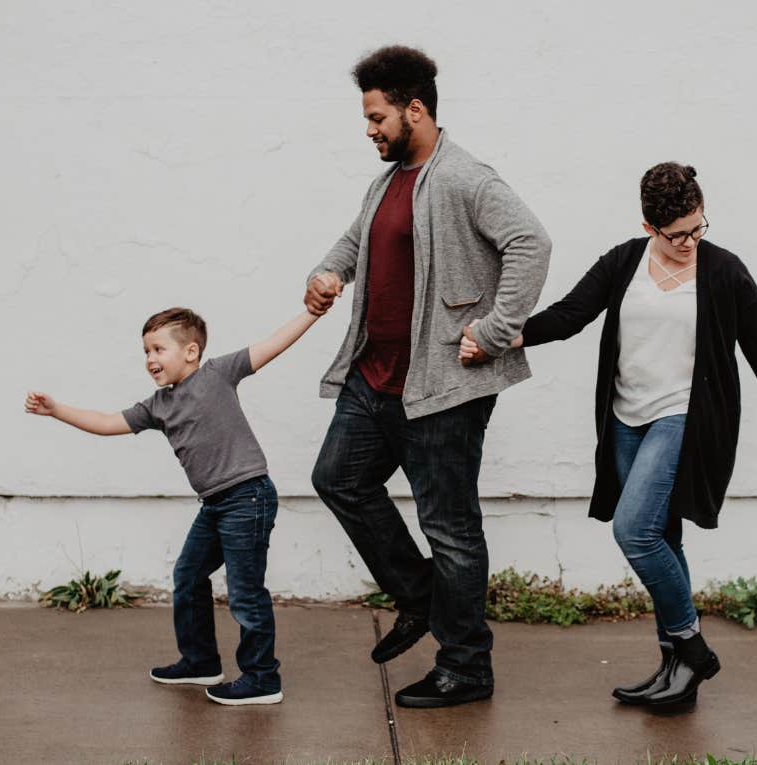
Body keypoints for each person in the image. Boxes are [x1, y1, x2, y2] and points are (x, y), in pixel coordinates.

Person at [462, 162, 757, 707]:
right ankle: (677, 673)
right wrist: (499, 338)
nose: (691, 242)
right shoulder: (625, 261)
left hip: (684, 418)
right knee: (663, 538)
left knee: (634, 531)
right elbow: (571, 314)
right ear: (650, 227)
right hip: (626, 420)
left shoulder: (724, 272)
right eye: (677, 235)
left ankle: (692, 648)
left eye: (699, 228)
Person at [305, 45, 551, 708]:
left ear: (415, 109)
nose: (369, 129)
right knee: (338, 478)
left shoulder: (465, 177)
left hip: (441, 387)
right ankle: (419, 598)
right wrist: (326, 275)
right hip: (375, 376)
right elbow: (357, 240)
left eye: (377, 116)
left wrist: (495, 330)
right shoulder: (386, 181)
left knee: (451, 525)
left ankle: (467, 664)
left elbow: (532, 242)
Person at [24, 306, 322, 706]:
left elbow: (273, 344)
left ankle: (262, 677)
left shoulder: (218, 373)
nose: (150, 360)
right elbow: (108, 422)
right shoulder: (158, 405)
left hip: (247, 497)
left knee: (245, 592)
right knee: (188, 574)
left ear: (191, 352)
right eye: (145, 351)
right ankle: (200, 661)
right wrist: (56, 410)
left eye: (158, 349)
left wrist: (312, 313)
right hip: (215, 504)